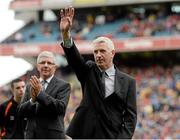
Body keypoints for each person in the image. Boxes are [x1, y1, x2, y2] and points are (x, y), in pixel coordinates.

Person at [59, 7, 137, 139]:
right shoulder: (89, 70)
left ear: (112, 53)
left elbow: (130, 118)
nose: (98, 55)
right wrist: (66, 34)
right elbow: (75, 60)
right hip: (82, 134)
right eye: (95, 52)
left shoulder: (129, 82)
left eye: (102, 51)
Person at [19, 51, 71, 139]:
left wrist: (40, 94)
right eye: (42, 62)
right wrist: (32, 101)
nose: (46, 65)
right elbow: (21, 112)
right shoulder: (29, 86)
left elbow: (60, 108)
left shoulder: (64, 86)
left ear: (55, 67)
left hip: (53, 136)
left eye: (49, 63)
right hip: (32, 136)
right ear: (38, 67)